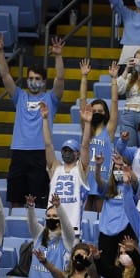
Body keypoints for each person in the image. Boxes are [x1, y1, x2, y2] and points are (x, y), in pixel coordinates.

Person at [0, 34, 64, 208]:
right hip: (19, 151)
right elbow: (5, 76)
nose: (33, 82)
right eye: (31, 78)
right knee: (16, 199)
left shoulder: (51, 98)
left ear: (44, 82)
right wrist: (0, 51)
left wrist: (58, 56)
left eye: (37, 79)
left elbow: (60, 79)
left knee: (39, 200)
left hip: (41, 153)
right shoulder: (20, 96)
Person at [42, 101, 91, 237]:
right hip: (53, 225)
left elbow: (85, 146)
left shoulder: (80, 170)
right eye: (64, 150)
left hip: (72, 228)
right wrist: (45, 119)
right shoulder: (56, 168)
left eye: (70, 150)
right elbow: (48, 145)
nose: (67, 153)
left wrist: (87, 123)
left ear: (77, 154)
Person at [79, 59, 119, 212]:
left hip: (103, 178)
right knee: (85, 217)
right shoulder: (86, 128)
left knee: (101, 217)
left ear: (105, 113)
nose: (96, 113)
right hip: (86, 177)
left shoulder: (109, 130)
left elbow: (114, 102)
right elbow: (83, 102)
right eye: (94, 111)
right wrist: (84, 77)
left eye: (100, 111)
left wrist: (114, 79)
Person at [94, 152, 140, 272]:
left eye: (122, 169)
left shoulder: (131, 187)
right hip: (107, 229)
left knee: (129, 265)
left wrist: (127, 169)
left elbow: (136, 182)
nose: (119, 171)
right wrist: (98, 166)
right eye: (116, 169)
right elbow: (98, 181)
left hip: (126, 228)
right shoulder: (108, 188)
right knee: (105, 267)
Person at [27, 193, 76, 278]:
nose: (51, 218)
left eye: (54, 216)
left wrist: (59, 207)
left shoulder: (67, 238)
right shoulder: (39, 233)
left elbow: (66, 224)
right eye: (48, 216)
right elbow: (32, 222)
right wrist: (31, 207)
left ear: (60, 219)